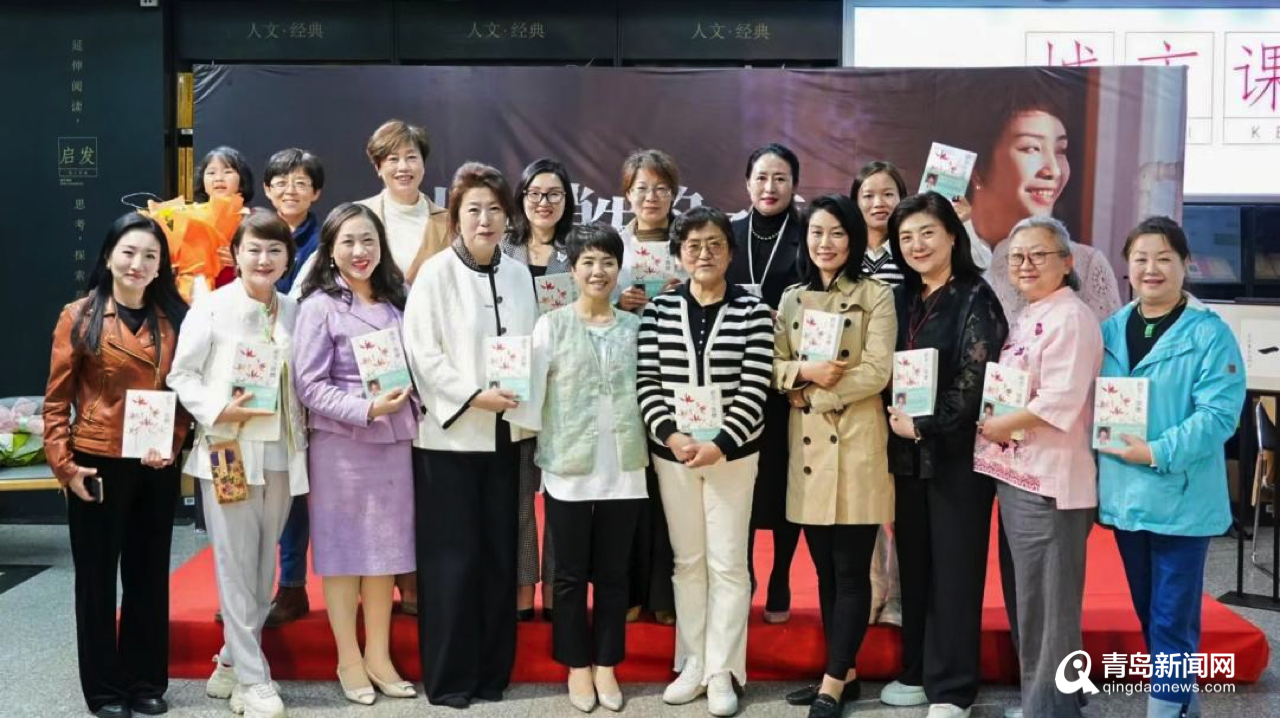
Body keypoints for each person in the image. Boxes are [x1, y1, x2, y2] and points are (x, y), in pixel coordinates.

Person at [1097, 216, 1246, 718]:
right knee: (1150, 610)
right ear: (1127, 266)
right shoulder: (1111, 330)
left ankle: (1166, 709)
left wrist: (1157, 451)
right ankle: (1182, 702)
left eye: (1164, 258)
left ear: (1186, 264)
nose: (1151, 269)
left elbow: (1219, 416)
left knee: (1171, 615)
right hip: (1125, 497)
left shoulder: (1210, 334)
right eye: (1140, 258)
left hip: (1181, 496)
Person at [402, 162, 539, 708]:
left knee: (498, 556)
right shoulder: (435, 273)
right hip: (449, 438)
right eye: (473, 210)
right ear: (456, 217)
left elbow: (532, 345)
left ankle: (491, 673)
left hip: (506, 435)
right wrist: (472, 395)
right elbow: (422, 352)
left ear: (508, 217)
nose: (485, 220)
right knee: (451, 560)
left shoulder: (518, 274)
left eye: (495, 210)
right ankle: (450, 677)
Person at [43, 213, 191, 718]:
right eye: (129, 252)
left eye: (150, 255)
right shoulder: (79, 315)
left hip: (155, 462)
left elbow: (187, 392)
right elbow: (56, 401)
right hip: (96, 462)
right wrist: (65, 467)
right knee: (97, 578)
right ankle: (104, 689)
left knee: (149, 575)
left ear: (161, 266)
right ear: (108, 256)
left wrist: (173, 443)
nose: (138, 264)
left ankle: (146, 681)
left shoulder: (176, 317)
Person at [167, 210, 309, 718]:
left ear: (288, 257)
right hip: (227, 451)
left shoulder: (295, 310)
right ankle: (252, 679)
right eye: (254, 249)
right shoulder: (211, 307)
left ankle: (229, 661)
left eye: (274, 250)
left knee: (264, 561)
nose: (264, 259)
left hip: (281, 453)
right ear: (237, 254)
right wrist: (217, 408)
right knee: (234, 561)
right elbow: (181, 374)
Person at [638, 206, 774, 717]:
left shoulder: (752, 312)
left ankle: (723, 670)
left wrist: (720, 442)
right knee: (688, 561)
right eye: (693, 245)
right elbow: (646, 382)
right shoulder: (658, 311)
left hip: (732, 455)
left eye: (715, 243)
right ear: (679, 254)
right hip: (673, 455)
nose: (704, 253)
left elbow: (756, 386)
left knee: (728, 563)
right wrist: (672, 436)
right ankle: (692, 661)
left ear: (730, 253)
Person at [508, 222, 649, 713]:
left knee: (612, 574)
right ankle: (576, 665)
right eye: (588, 262)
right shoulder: (552, 325)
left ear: (619, 268)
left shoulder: (635, 328)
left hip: (625, 466)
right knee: (567, 574)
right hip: (569, 465)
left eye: (607, 262)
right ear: (571, 270)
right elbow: (529, 395)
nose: (598, 271)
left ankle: (607, 663)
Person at [879, 193, 1008, 715]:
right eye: (906, 237)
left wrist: (926, 425)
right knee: (915, 566)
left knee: (955, 570)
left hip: (956, 456)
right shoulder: (899, 298)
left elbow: (977, 378)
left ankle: (953, 687)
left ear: (953, 235)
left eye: (927, 232)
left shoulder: (976, 296)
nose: (917, 245)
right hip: (906, 456)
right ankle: (916, 670)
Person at [772, 195, 897, 718]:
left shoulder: (876, 295)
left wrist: (816, 395)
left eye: (837, 233)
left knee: (850, 572)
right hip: (807, 448)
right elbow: (773, 362)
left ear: (853, 239)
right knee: (824, 572)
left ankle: (831, 683)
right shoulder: (791, 298)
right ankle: (844, 673)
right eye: (817, 233)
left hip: (856, 444)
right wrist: (801, 376)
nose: (825, 243)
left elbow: (878, 370)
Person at [974, 216, 1103, 718]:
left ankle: (1050, 709)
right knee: (1034, 600)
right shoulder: (1032, 313)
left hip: (1050, 483)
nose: (1025, 264)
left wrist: (996, 425)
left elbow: (1059, 400)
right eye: (1017, 257)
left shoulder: (1072, 317)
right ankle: (1054, 699)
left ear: (1066, 263)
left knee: (1048, 606)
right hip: (1019, 475)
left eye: (1039, 255)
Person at [291, 202, 419, 705]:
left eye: (368, 240)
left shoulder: (396, 299)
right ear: (330, 250)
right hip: (342, 445)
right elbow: (308, 385)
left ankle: (379, 656)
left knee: (386, 552)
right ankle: (348, 657)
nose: (360, 251)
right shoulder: (318, 305)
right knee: (344, 553)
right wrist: (365, 408)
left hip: (394, 441)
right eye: (347, 242)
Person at [940, 74, 1120, 324]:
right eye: (1031, 148)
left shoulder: (1086, 264)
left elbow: (1107, 346)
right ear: (978, 167)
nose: (1053, 171)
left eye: (1061, 151)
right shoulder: (944, 258)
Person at [727, 143, 805, 626]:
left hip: (791, 379)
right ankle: (747, 571)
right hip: (738, 376)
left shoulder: (809, 233)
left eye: (780, 178)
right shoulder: (730, 234)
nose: (769, 187)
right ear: (747, 183)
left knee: (786, 480)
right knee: (743, 481)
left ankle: (780, 574)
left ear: (794, 184)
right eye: (761, 177)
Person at [502, 158, 576, 622]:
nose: (544, 202)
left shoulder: (577, 249)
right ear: (522, 198)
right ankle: (522, 587)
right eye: (535, 193)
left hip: (565, 388)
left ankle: (555, 590)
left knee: (562, 498)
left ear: (567, 201)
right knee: (520, 497)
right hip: (514, 387)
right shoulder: (503, 249)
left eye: (554, 194)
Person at [617, 148, 684, 626]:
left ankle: (665, 593)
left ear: (674, 194)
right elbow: (588, 301)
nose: (651, 197)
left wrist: (687, 294)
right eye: (642, 188)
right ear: (627, 194)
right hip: (623, 377)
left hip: (676, 377)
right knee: (628, 490)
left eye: (661, 188)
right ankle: (628, 591)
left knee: (669, 492)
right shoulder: (614, 246)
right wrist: (617, 301)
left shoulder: (691, 241)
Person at [260, 147, 325, 628]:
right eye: (281, 182)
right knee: (257, 488)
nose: (290, 190)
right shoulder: (248, 236)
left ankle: (293, 585)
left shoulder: (329, 241)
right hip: (255, 380)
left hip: (312, 376)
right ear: (267, 189)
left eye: (301, 182)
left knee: (296, 487)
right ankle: (251, 587)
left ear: (316, 192)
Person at [851, 160, 915, 626]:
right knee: (866, 495)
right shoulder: (846, 252)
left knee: (905, 498)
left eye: (888, 193)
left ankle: (899, 596)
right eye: (869, 195)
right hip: (859, 387)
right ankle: (873, 589)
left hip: (908, 384)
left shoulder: (912, 249)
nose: (879, 203)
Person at [194, 146, 255, 289]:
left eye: (227, 172)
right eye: (211, 173)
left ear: (242, 181)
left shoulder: (253, 220)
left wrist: (241, 261)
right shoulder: (189, 218)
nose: (218, 178)